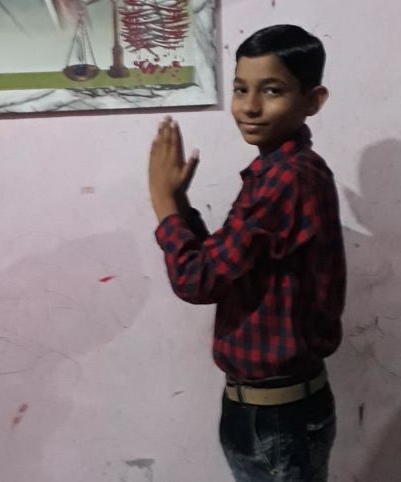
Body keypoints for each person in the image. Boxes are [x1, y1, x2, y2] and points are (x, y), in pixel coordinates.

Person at [148, 24, 346, 481]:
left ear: (313, 100)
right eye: (241, 89)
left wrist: (163, 203)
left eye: (272, 90)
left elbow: (197, 281)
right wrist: (179, 204)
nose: (250, 107)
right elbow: (225, 267)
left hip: (276, 417)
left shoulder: (287, 179)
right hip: (273, 410)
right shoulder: (279, 171)